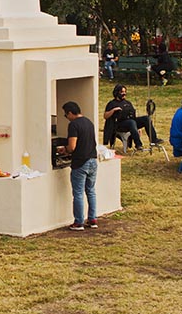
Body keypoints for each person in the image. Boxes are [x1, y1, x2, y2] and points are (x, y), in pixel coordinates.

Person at [57, 101, 98, 231]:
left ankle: (79, 222)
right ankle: (92, 219)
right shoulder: (88, 122)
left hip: (80, 163)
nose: (66, 117)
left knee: (78, 193)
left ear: (70, 113)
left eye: (65, 115)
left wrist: (65, 150)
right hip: (92, 160)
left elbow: (72, 146)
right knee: (91, 191)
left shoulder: (73, 125)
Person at [103, 84, 160, 151]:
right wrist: (113, 110)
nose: (124, 94)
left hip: (131, 122)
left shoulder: (128, 103)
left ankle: (154, 139)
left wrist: (138, 128)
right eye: (122, 92)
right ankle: (138, 144)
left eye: (125, 92)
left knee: (146, 118)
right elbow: (105, 116)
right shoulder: (112, 103)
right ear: (117, 93)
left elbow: (133, 116)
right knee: (131, 122)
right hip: (119, 124)